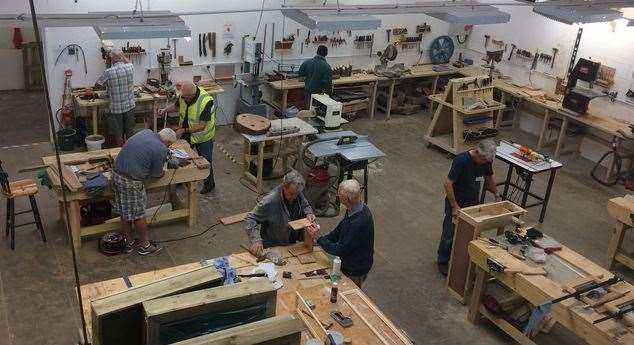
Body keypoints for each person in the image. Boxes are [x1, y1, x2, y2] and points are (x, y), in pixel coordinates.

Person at [437, 139, 499, 275]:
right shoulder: (461, 160)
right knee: (450, 233)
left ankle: (465, 260)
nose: (484, 163)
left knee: (470, 233)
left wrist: (497, 195)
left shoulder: (486, 160)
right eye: (483, 160)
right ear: (477, 151)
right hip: (456, 202)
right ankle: (442, 261)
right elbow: (448, 183)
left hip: (473, 203)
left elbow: (489, 178)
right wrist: (454, 206)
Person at [111, 128, 177, 255]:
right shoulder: (161, 149)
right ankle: (145, 246)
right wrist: (164, 170)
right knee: (139, 215)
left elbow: (144, 152)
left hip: (116, 174)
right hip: (130, 182)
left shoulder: (146, 132)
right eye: (170, 145)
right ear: (168, 142)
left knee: (125, 211)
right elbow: (156, 174)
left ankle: (129, 241)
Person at [307, 179, 374, 288]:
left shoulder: (358, 223)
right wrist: (322, 239)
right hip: (349, 262)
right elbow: (340, 229)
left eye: (339, 196)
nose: (337, 197)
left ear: (346, 199)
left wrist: (319, 238)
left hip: (355, 269)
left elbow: (340, 249)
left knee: (350, 294)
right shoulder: (356, 208)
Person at [159, 80, 216, 194]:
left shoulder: (205, 101)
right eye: (182, 97)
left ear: (192, 95)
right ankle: (181, 179)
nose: (183, 99)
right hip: (186, 133)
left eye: (186, 98)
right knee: (181, 157)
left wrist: (183, 130)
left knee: (204, 161)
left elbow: (202, 126)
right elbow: (176, 106)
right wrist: (164, 110)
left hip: (203, 137)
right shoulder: (184, 95)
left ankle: (209, 184)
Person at [245, 170, 317, 256]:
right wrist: (256, 240)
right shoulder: (270, 201)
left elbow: (305, 205)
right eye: (291, 194)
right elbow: (251, 218)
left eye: (296, 194)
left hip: (291, 242)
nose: (294, 197)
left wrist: (309, 213)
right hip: (273, 245)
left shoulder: (297, 193)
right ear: (284, 187)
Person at [95, 49, 136, 146]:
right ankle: (130, 153)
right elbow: (128, 61)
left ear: (112, 59)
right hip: (129, 106)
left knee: (118, 135)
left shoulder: (108, 72)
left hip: (116, 109)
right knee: (129, 133)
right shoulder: (130, 67)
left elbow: (97, 85)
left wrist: (108, 85)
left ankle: (119, 154)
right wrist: (122, 55)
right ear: (121, 57)